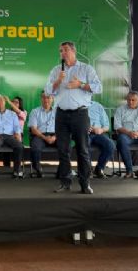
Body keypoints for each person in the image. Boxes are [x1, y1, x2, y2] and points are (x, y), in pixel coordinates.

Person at [44, 41, 102, 194]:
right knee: (63, 150)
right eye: (60, 51)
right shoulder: (57, 70)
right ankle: (65, 182)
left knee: (83, 150)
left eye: (65, 50)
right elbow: (48, 91)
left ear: (73, 51)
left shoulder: (86, 69)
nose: (62, 53)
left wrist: (80, 84)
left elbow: (98, 87)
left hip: (80, 114)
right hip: (61, 114)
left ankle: (85, 183)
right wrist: (58, 81)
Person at [27, 91, 56, 178]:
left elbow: (62, 128)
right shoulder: (35, 112)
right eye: (43, 97)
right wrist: (45, 137)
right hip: (39, 135)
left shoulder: (58, 112)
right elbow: (33, 129)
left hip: (55, 135)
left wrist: (55, 137)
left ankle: (62, 170)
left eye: (48, 97)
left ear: (52, 99)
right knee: (35, 147)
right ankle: (37, 168)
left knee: (66, 146)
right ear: (41, 99)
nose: (46, 100)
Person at [88, 101, 115, 179]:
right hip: (83, 133)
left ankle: (99, 168)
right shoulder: (77, 106)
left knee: (110, 145)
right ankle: (87, 170)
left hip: (98, 133)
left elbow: (107, 126)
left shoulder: (98, 106)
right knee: (84, 144)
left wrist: (101, 130)